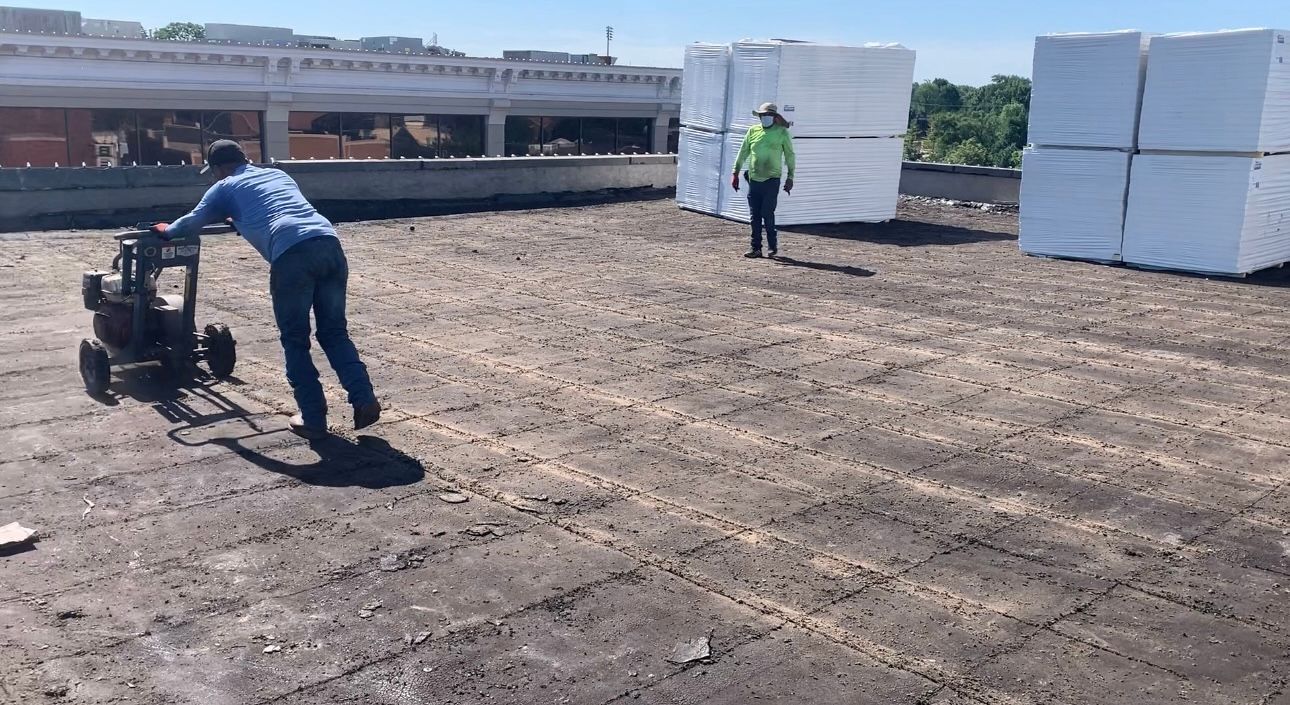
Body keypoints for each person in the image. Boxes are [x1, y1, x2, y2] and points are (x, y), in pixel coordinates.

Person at [153, 140, 381, 440]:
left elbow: (191, 223)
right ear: (244, 158)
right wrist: (241, 219)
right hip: (328, 243)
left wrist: (165, 231)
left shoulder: (223, 187)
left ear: (219, 168)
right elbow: (271, 207)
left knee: (295, 339)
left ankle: (313, 417)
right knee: (334, 332)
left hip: (291, 255)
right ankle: (363, 397)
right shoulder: (277, 175)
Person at [731, 102, 796, 258]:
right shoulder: (752, 131)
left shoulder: (781, 133)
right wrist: (735, 172)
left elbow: (789, 155)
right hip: (754, 178)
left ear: (774, 117)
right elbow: (743, 152)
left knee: (767, 213)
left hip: (772, 179)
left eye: (768, 115)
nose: (765, 118)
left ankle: (772, 247)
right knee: (755, 215)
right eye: (763, 115)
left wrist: (790, 177)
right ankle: (756, 248)